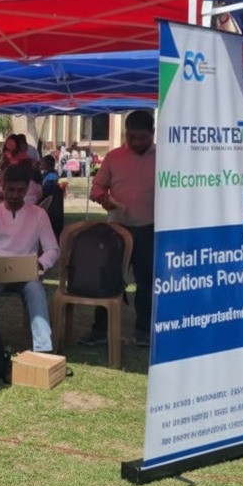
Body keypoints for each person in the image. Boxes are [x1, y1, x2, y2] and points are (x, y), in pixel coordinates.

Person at [81, 110, 156, 349]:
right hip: (116, 229)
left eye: (142, 138)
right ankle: (99, 330)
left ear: (152, 134)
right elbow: (97, 189)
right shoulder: (114, 157)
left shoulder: (166, 157)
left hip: (149, 230)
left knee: (146, 283)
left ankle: (143, 330)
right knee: (108, 280)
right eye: (131, 137)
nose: (136, 142)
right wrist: (106, 200)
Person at [0, 164, 59, 353]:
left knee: (36, 291)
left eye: (20, 190)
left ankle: (43, 348)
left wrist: (40, 264)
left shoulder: (38, 214)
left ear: (28, 189)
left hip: (27, 273)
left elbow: (52, 249)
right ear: (3, 187)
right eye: (10, 190)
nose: (14, 195)